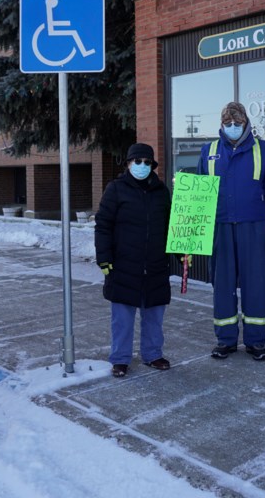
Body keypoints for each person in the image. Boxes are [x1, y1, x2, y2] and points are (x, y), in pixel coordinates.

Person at [197, 101, 265, 361]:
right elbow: (199, 196)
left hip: (254, 228)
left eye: (237, 123)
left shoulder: (262, 150)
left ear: (246, 123)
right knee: (222, 286)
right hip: (220, 228)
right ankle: (225, 341)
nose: (233, 127)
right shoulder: (209, 151)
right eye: (228, 124)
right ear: (222, 124)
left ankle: (256, 342)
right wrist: (192, 235)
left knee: (255, 285)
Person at [95, 143, 173, 378]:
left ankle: (152, 354)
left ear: (152, 166)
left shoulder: (162, 191)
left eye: (147, 162)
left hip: (156, 264)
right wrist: (104, 257)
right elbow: (103, 225)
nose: (142, 166)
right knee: (122, 317)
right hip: (124, 264)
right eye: (137, 162)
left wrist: (181, 252)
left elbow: (172, 226)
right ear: (128, 164)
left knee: (154, 315)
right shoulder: (116, 189)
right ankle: (120, 359)